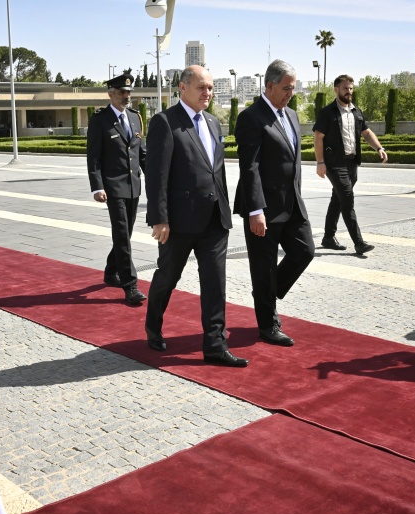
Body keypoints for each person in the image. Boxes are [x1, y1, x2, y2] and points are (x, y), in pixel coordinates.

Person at [144, 65, 248, 368]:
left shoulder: (214, 124)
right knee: (168, 276)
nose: (208, 93)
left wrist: (226, 209)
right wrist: (159, 218)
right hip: (179, 222)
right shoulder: (165, 122)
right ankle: (153, 324)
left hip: (215, 220)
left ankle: (215, 344)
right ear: (183, 88)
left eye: (211, 88)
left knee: (215, 283)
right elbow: (157, 174)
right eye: (202, 87)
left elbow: (218, 172)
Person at [234, 59, 315, 347]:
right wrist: (255, 210)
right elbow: (250, 167)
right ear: (269, 86)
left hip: (292, 205)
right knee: (263, 267)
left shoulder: (291, 115)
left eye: (293, 88)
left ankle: (267, 295)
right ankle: (267, 324)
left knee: (305, 252)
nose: (290, 93)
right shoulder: (250, 118)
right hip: (263, 209)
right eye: (286, 88)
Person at [87, 73, 148, 305]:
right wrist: (97, 187)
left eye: (129, 93)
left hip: (134, 185)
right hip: (113, 187)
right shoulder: (100, 120)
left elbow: (141, 153)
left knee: (126, 234)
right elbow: (93, 157)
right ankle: (130, 285)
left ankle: (110, 270)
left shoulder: (135, 118)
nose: (127, 96)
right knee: (122, 234)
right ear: (110, 94)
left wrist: (156, 179)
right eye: (122, 92)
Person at [313, 74, 388, 255]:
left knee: (337, 200)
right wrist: (320, 162)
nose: (349, 92)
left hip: (351, 163)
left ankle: (328, 237)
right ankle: (359, 243)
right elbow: (318, 137)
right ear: (336, 90)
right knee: (347, 200)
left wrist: (379, 148)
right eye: (345, 88)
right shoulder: (327, 112)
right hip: (334, 164)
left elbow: (367, 132)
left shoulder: (356, 111)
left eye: (351, 88)